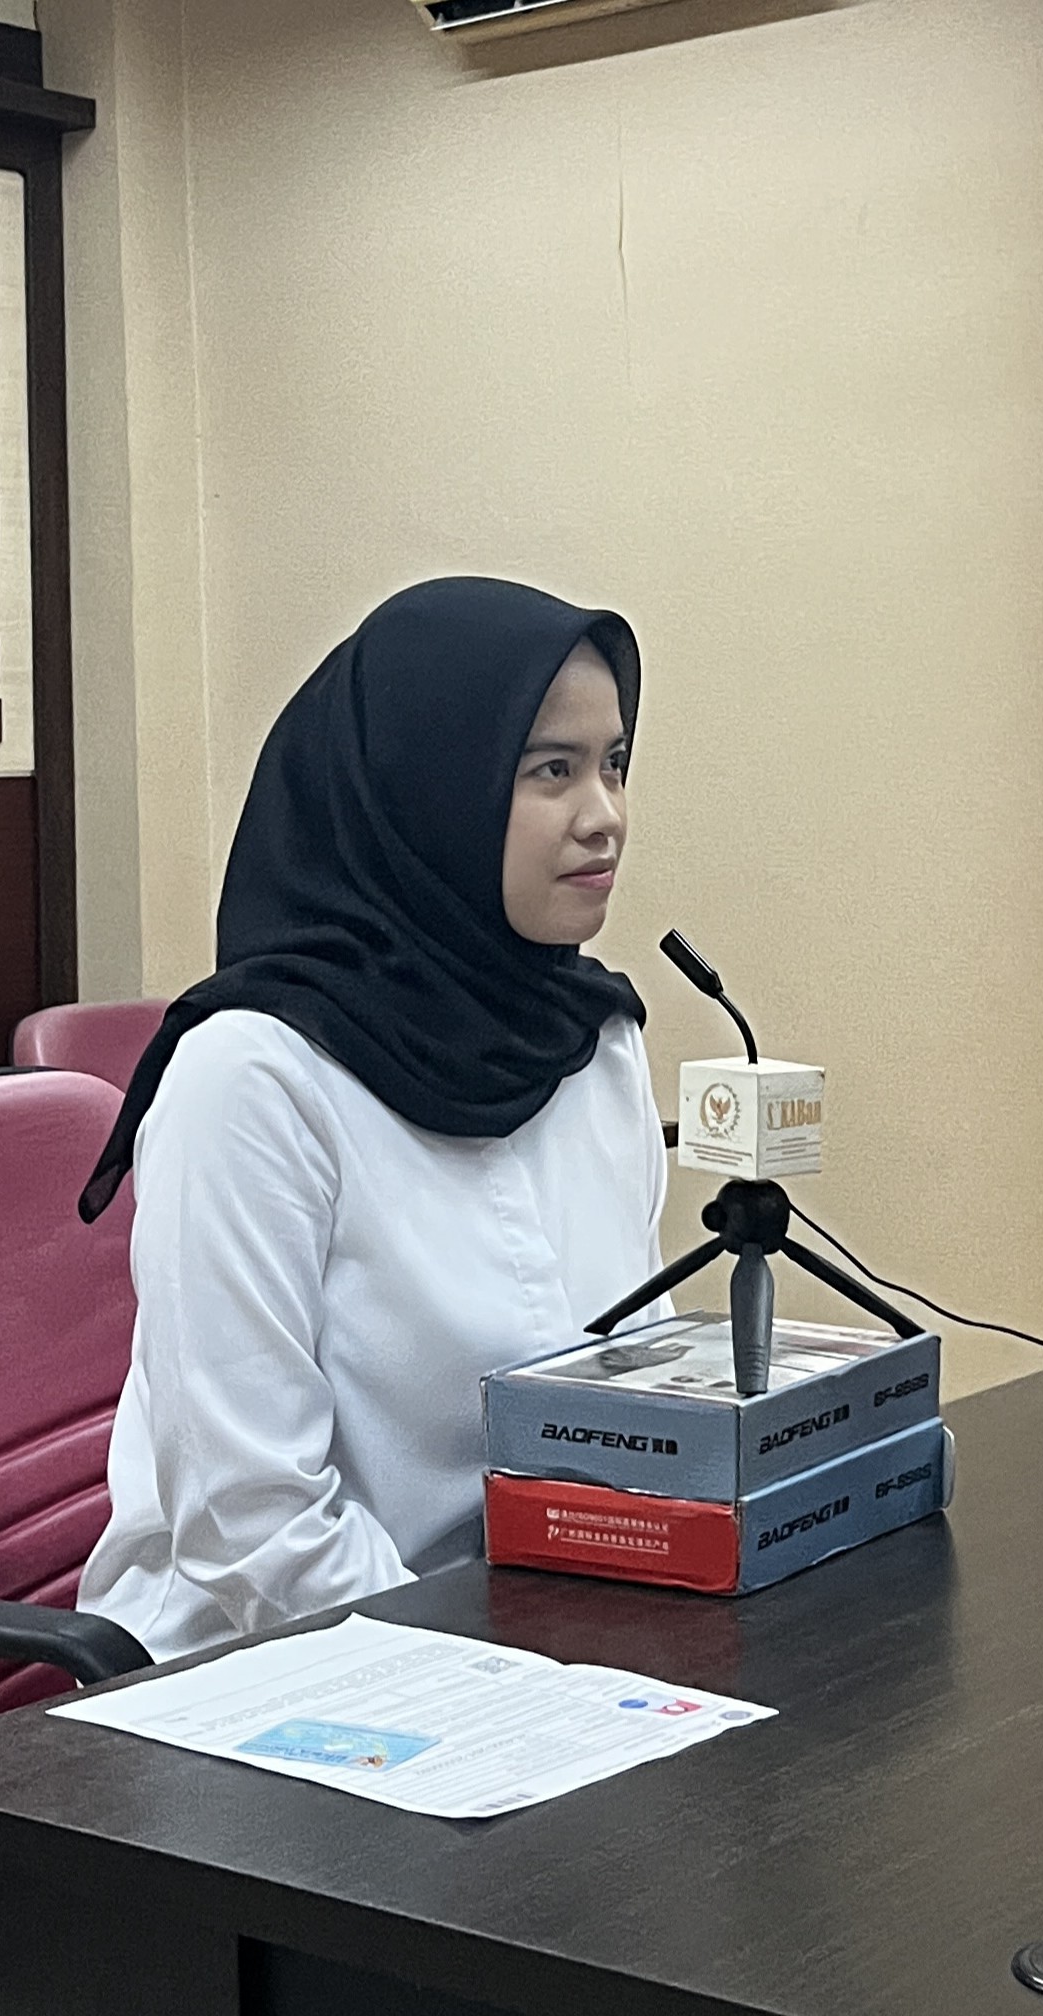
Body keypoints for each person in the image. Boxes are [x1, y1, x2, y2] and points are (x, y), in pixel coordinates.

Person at [74, 577, 668, 1660]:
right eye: (552, 770)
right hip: (269, 1667)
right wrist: (494, 1680)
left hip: (535, 1635)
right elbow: (253, 1526)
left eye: (615, 764)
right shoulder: (252, 1080)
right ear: (427, 788)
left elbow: (637, 1391)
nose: (605, 816)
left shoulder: (593, 1044)